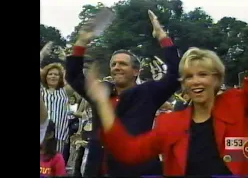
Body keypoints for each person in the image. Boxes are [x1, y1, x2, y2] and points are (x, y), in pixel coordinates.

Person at [85, 0, 248, 176]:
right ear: (183, 84)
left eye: (202, 74)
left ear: (217, 79)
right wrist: (103, 105)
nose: (195, 81)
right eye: (188, 76)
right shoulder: (170, 124)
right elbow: (128, 151)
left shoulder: (237, 105)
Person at [65, 10, 180, 176]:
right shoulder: (100, 92)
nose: (116, 67)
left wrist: (161, 35)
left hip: (137, 170)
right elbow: (73, 75)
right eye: (113, 64)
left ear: (136, 71)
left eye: (122, 64)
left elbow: (175, 75)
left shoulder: (148, 93)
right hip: (98, 169)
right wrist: (82, 41)